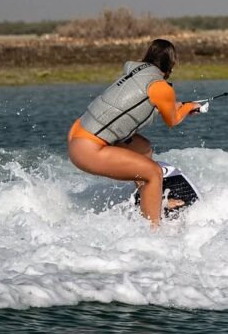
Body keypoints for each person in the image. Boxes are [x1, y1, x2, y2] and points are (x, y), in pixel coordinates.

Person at [67, 38, 204, 227]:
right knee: (153, 173)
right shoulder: (161, 87)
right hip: (88, 149)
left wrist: (177, 106)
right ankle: (153, 232)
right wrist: (189, 107)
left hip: (77, 135)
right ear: (172, 63)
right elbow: (172, 120)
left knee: (144, 150)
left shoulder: (133, 72)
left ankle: (151, 201)